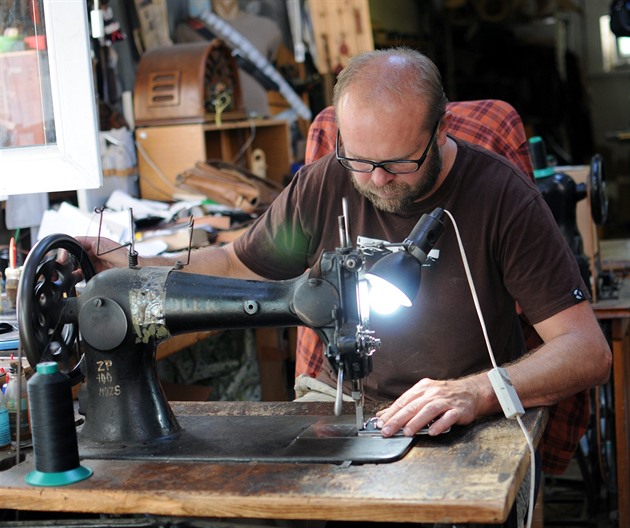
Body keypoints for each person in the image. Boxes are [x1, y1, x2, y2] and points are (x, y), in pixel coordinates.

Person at [80, 46, 610, 456]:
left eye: (398, 162)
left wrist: (476, 392)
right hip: (347, 401)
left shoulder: (502, 199)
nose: (376, 180)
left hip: (461, 415)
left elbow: (587, 352)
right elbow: (238, 264)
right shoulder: (325, 182)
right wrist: (126, 264)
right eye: (359, 159)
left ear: (440, 128)